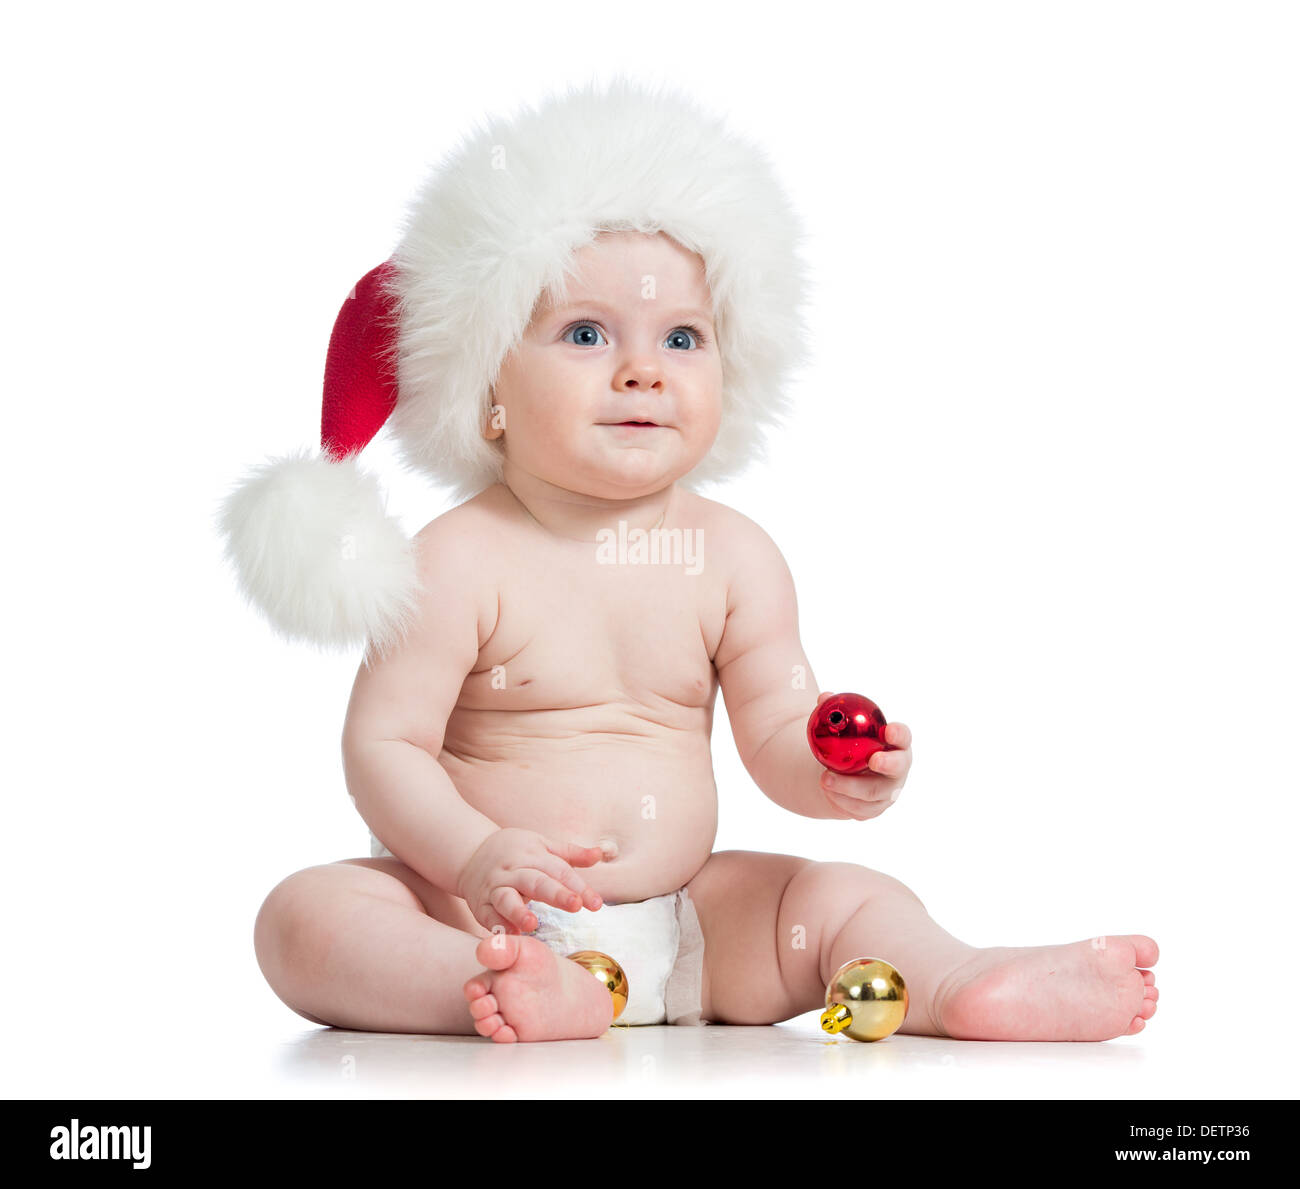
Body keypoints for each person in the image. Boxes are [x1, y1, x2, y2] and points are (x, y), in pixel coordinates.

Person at [219, 77, 1159, 1043]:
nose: (643, 369)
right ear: (487, 384)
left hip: (691, 925)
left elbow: (776, 729)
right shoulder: (458, 559)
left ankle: (957, 981)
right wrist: (473, 856)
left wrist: (832, 770)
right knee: (308, 914)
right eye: (586, 334)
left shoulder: (734, 557)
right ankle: (488, 987)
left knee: (837, 895)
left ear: (728, 370)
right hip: (476, 915)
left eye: (683, 336)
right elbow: (385, 747)